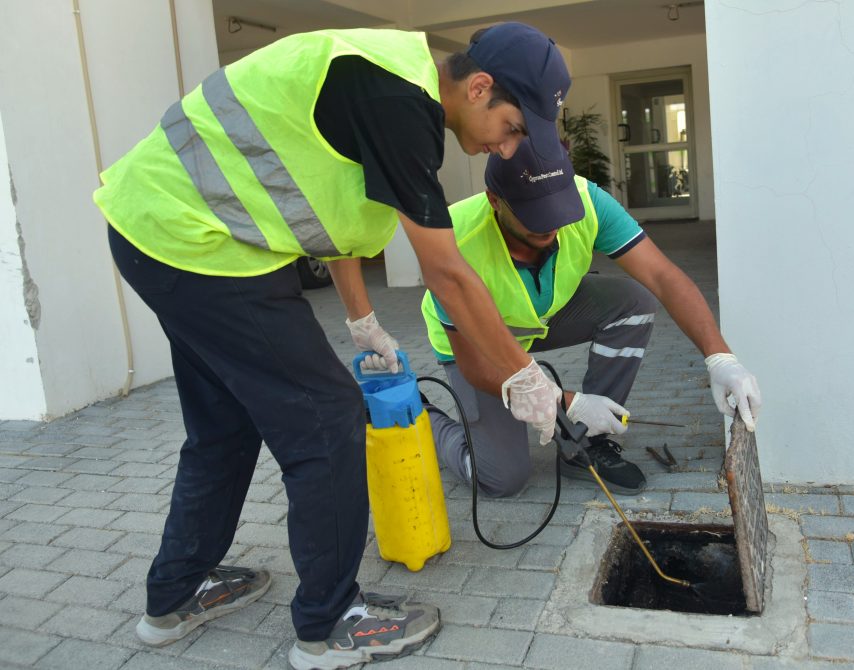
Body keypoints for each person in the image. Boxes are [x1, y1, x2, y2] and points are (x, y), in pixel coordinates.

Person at [94, 23, 568, 670]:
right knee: (327, 419)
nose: (509, 148)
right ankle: (329, 625)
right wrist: (525, 377)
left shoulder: (388, 85)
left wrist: (361, 320)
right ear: (480, 87)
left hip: (158, 231)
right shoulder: (398, 102)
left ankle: (176, 594)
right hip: (201, 248)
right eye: (512, 128)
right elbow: (450, 274)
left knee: (224, 426)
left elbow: (332, 219)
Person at [421, 137, 762, 498]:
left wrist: (720, 358)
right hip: (477, 343)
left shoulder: (588, 202)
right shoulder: (452, 241)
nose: (550, 224)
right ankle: (421, 414)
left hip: (541, 316)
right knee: (501, 479)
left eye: (557, 208)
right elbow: (475, 366)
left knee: (633, 302)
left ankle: (587, 443)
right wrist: (569, 401)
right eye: (534, 214)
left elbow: (663, 277)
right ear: (495, 201)